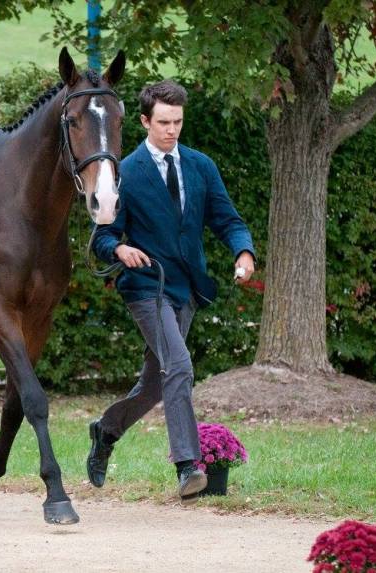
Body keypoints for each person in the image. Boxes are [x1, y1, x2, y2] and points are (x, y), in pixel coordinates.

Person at [88, 79, 255, 505]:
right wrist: (120, 248)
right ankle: (187, 466)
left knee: (155, 384)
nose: (172, 130)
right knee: (178, 365)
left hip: (186, 290)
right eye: (163, 122)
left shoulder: (201, 166)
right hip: (146, 287)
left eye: (177, 121)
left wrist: (243, 251)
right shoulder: (125, 172)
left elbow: (227, 219)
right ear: (145, 122)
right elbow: (102, 236)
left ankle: (106, 431)